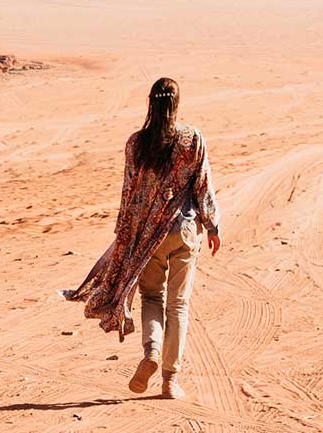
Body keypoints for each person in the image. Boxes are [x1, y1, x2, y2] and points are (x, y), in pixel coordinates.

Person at [64, 77, 221, 399]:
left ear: (151, 102)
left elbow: (129, 194)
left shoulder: (136, 143)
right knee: (178, 305)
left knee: (152, 299)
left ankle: (151, 352)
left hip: (149, 238)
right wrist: (214, 226)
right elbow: (202, 187)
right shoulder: (193, 139)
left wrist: (125, 236)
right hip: (184, 231)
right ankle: (169, 381)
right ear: (176, 104)